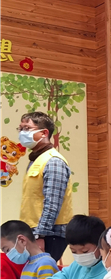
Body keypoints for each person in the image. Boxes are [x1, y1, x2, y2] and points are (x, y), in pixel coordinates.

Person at [17, 111, 73, 260]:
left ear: (44, 133)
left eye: (27, 128)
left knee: (43, 274)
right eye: (20, 129)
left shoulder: (53, 161)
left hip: (49, 236)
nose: (22, 133)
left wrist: (40, 235)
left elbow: (52, 204)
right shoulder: (36, 160)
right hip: (33, 232)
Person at [36, 214, 107, 279]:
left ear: (101, 245)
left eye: (85, 251)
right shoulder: (76, 266)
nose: (79, 255)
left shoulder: (110, 272)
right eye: (73, 251)